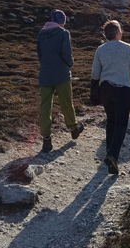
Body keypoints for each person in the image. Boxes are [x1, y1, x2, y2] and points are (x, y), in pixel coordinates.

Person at [92, 20, 130, 175]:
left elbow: (95, 74)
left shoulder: (100, 49)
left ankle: (109, 154)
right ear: (118, 32)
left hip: (106, 89)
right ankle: (112, 155)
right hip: (123, 89)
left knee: (111, 121)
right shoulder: (127, 48)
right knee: (121, 124)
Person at [36, 9, 83, 152]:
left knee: (45, 106)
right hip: (62, 74)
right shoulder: (63, 33)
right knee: (66, 102)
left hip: (45, 74)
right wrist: (70, 64)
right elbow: (66, 53)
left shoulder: (41, 33)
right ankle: (73, 128)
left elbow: (39, 53)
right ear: (62, 21)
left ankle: (46, 139)